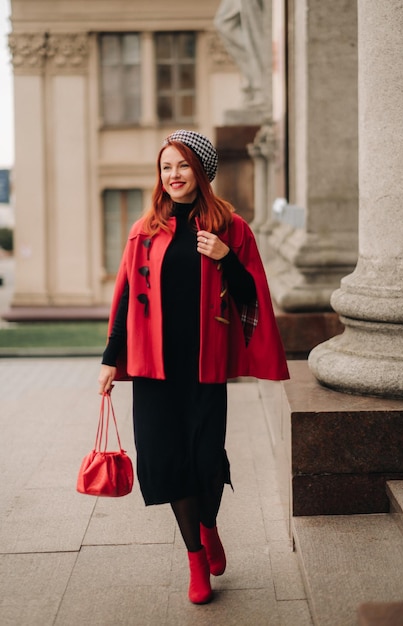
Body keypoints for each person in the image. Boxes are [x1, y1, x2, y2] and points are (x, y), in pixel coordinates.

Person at [98, 129, 289, 605]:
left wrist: (226, 260)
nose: (174, 175)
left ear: (201, 170)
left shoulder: (231, 227)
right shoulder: (144, 230)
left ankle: (209, 525)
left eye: (182, 165)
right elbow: (124, 300)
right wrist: (109, 360)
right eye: (166, 167)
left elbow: (253, 296)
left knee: (206, 460)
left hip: (203, 367)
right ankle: (196, 559)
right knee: (167, 461)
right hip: (153, 369)